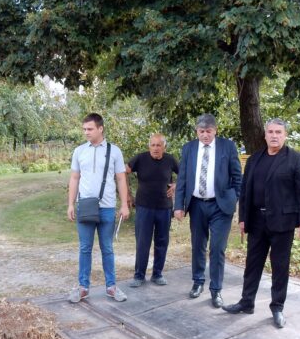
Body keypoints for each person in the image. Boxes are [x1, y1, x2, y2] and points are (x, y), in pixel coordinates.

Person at [222, 118, 300, 328]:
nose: (274, 136)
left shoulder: (295, 159)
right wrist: (243, 218)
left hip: (282, 223)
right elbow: (245, 190)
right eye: (271, 132)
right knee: (252, 264)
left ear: (285, 135)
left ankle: (277, 307)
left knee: (280, 266)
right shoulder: (255, 159)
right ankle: (247, 302)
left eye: (278, 132)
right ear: (265, 135)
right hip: (256, 221)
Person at [174, 113, 242, 308]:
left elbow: (237, 176)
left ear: (215, 130)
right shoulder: (188, 148)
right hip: (196, 204)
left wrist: (234, 197)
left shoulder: (227, 147)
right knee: (198, 245)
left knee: (217, 248)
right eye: (201, 131)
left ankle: (216, 289)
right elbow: (182, 179)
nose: (205, 135)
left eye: (208, 131)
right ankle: (198, 282)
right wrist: (178, 205)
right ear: (197, 131)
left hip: (220, 206)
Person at [67, 113, 130, 303]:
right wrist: (70, 204)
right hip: (85, 206)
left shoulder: (114, 151)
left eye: (90, 129)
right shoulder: (79, 151)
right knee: (85, 248)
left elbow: (121, 179)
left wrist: (124, 204)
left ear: (100, 129)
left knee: (107, 248)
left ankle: (111, 287)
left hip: (107, 207)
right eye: (84, 129)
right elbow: (74, 178)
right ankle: (83, 288)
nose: (86, 132)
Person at [126, 133, 179, 287]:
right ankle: (139, 276)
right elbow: (123, 172)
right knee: (143, 242)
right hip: (144, 207)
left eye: (159, 145)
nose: (155, 148)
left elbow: (185, 174)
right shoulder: (140, 158)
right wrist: (128, 194)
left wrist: (176, 185)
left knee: (162, 242)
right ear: (149, 146)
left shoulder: (170, 160)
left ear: (164, 147)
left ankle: (157, 274)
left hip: (164, 208)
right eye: (153, 145)